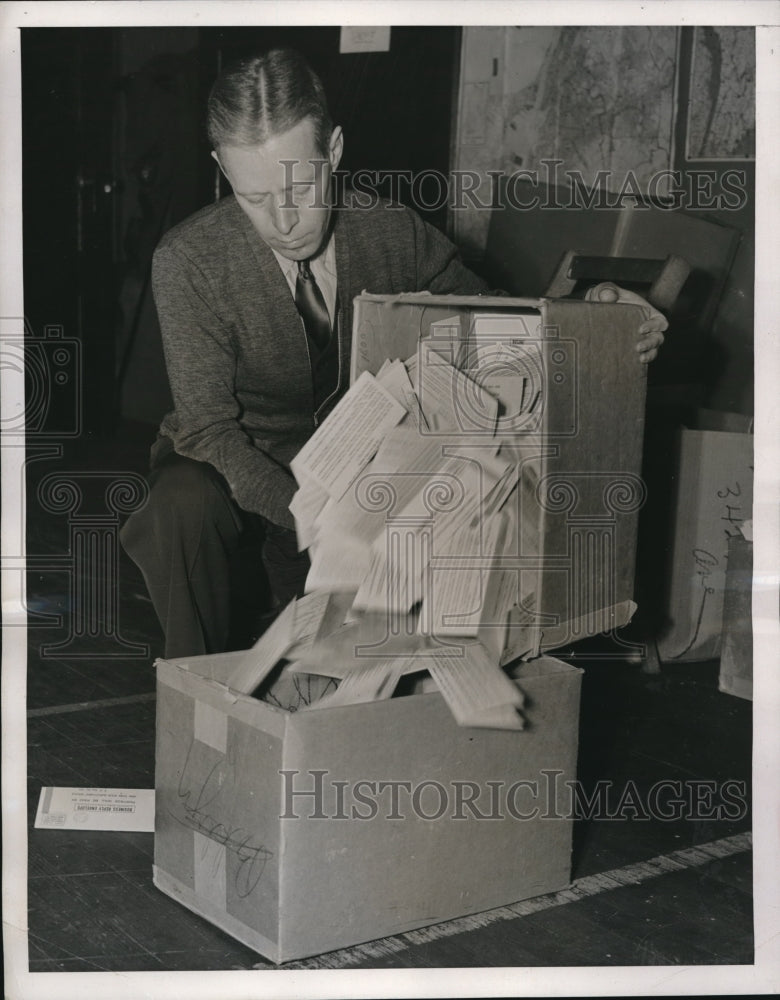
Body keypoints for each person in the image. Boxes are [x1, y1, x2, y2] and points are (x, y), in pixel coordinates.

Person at [120, 48, 666, 660]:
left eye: (300, 186)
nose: (284, 220)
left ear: (334, 151)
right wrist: (310, 516)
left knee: (353, 643)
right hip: (238, 468)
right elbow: (210, 432)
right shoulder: (189, 261)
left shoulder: (390, 230)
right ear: (222, 169)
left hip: (358, 468)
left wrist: (595, 313)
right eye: (253, 197)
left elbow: (494, 320)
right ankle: (193, 683)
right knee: (180, 505)